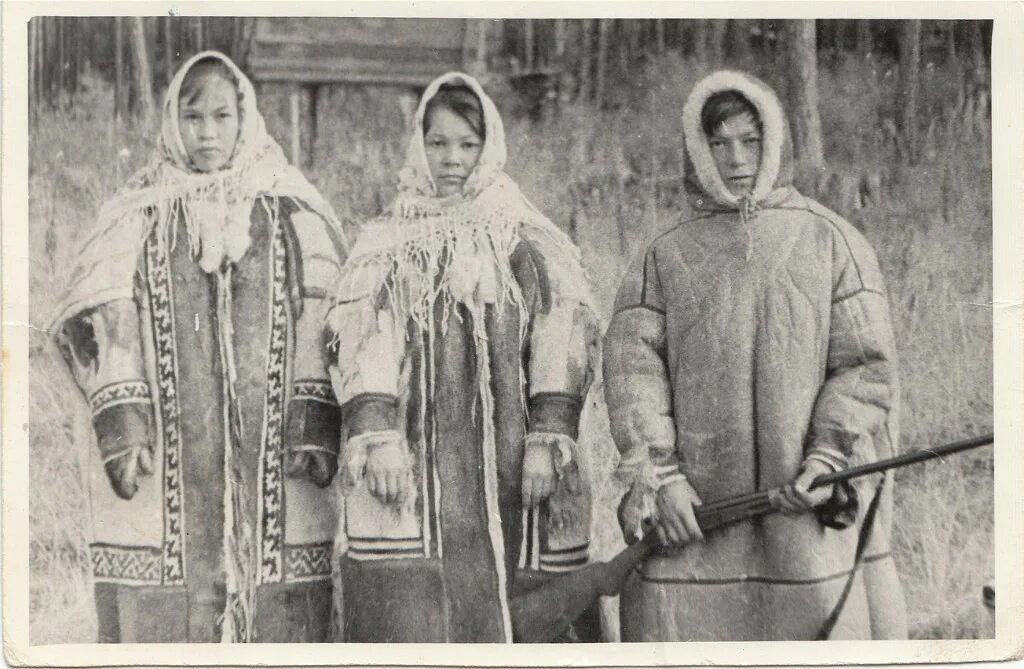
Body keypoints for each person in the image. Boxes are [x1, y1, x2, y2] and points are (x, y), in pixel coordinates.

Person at [50, 51, 347, 643]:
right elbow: (99, 307)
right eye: (193, 118)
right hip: (166, 453)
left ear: (245, 119)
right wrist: (124, 417)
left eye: (221, 116)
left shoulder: (291, 210)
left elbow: (328, 308)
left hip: (277, 454)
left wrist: (313, 416)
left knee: (280, 596)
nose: (207, 133)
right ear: (171, 122)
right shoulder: (137, 214)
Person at [603, 70, 908, 641]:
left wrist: (826, 460)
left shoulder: (831, 240)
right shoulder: (664, 254)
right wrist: (662, 478)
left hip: (803, 511)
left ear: (775, 142)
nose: (735, 159)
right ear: (697, 149)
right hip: (693, 520)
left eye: (751, 141)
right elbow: (632, 370)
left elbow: (864, 365)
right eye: (718, 144)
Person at [325, 72, 600, 643]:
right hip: (414, 469)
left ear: (489, 146)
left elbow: (562, 330)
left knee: (526, 608)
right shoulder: (388, 241)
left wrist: (548, 442)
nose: (452, 159)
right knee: (413, 619)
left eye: (467, 144)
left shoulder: (523, 237)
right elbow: (361, 335)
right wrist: (378, 438)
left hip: (515, 468)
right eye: (438, 143)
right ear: (418, 146)